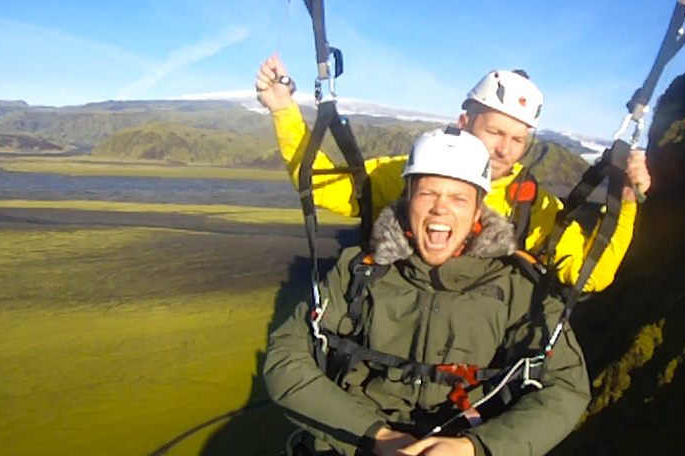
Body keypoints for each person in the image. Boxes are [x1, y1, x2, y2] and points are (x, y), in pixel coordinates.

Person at [263, 128, 590, 456]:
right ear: (406, 199)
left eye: (457, 198)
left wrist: (472, 453)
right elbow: (287, 357)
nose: (440, 211)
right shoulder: (359, 271)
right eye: (427, 194)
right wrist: (375, 436)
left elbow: (567, 386)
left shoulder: (521, 287)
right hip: (360, 452)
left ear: (478, 210)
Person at [254, 54, 651, 293]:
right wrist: (283, 110)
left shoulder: (532, 202)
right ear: (465, 122)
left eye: (517, 138)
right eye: (494, 131)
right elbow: (325, 186)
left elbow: (588, 275)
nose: (504, 149)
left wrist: (626, 202)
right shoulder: (412, 175)